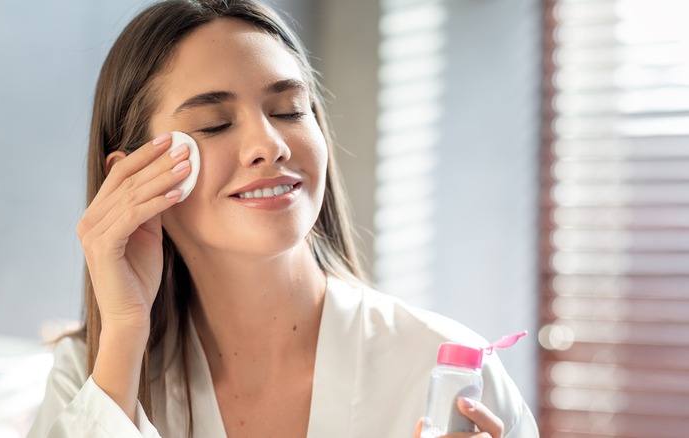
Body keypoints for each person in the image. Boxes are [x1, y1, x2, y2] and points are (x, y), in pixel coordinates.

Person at [28, 1, 539, 437]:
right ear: (132, 178)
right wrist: (123, 332)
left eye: (290, 111)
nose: (269, 145)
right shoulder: (90, 374)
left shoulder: (448, 374)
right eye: (214, 124)